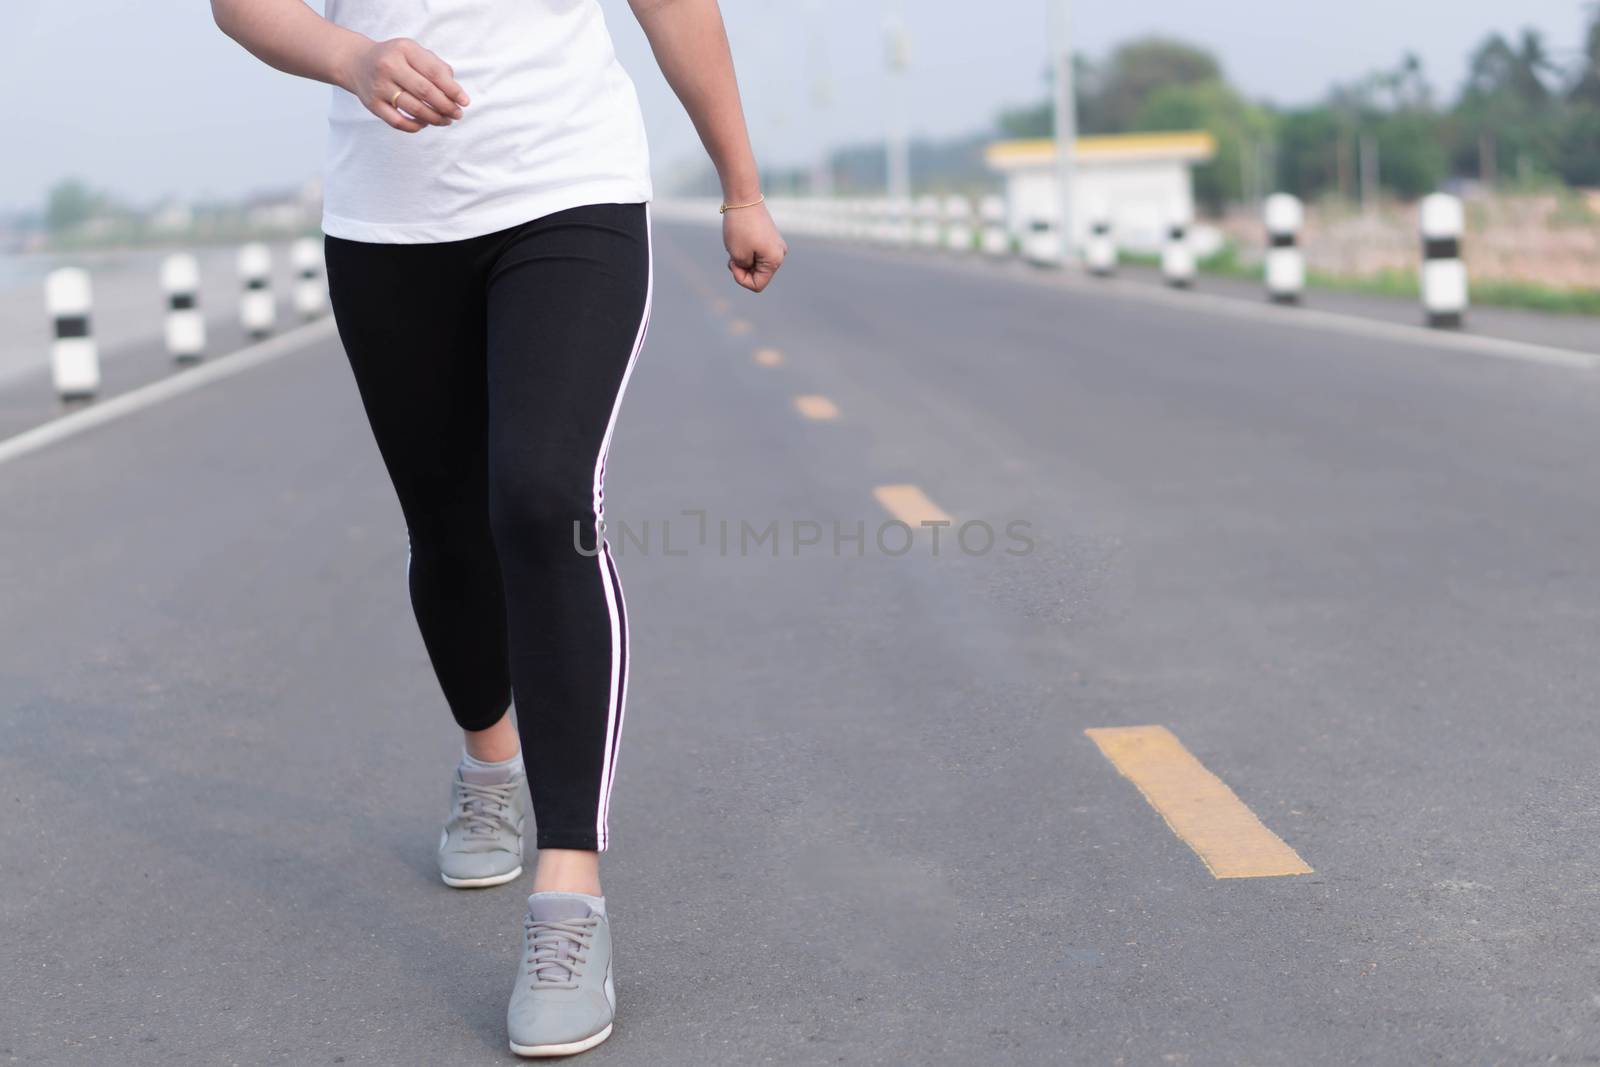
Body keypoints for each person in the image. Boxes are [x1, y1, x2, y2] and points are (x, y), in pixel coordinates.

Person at [210, 0, 786, 1055]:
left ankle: (570, 894)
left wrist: (739, 186)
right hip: (388, 225)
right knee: (448, 524)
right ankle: (490, 767)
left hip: (569, 191)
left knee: (539, 496)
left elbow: (675, 8)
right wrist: (354, 57)